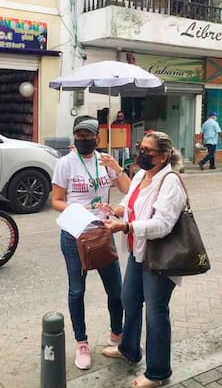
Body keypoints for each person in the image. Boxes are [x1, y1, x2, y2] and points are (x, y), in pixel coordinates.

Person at [98, 131, 188, 388]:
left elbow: (163, 224)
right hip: (138, 253)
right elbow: (129, 204)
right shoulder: (140, 176)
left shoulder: (170, 181)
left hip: (159, 258)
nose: (142, 154)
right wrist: (114, 210)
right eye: (141, 147)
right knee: (129, 299)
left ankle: (158, 373)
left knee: (156, 313)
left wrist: (125, 226)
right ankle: (129, 349)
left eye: (149, 151)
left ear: (163, 156)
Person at [51, 116, 131, 370]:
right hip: (75, 233)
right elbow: (56, 201)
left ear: (97, 137)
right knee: (77, 291)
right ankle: (82, 342)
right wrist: (78, 209)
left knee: (116, 291)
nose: (83, 139)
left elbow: (129, 191)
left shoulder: (105, 162)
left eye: (88, 135)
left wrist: (116, 167)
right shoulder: (65, 164)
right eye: (79, 135)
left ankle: (117, 336)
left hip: (102, 232)